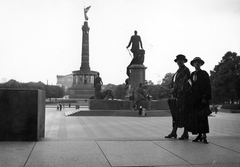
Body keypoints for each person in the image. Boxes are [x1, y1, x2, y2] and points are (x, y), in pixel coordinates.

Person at [165, 54, 191, 140]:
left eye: (181, 60)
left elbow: (183, 83)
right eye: (178, 60)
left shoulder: (185, 70)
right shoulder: (178, 71)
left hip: (183, 95)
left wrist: (174, 89)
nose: (179, 62)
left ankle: (185, 133)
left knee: (184, 113)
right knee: (176, 113)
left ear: (184, 61)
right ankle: (174, 132)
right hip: (178, 95)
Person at [188, 57, 211, 144]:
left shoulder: (204, 74)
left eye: (198, 62)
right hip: (195, 99)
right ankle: (199, 134)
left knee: (203, 117)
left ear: (201, 64)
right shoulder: (192, 74)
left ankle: (204, 135)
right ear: (193, 64)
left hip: (202, 98)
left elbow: (207, 86)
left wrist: (206, 97)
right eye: (195, 63)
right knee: (196, 118)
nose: (197, 64)